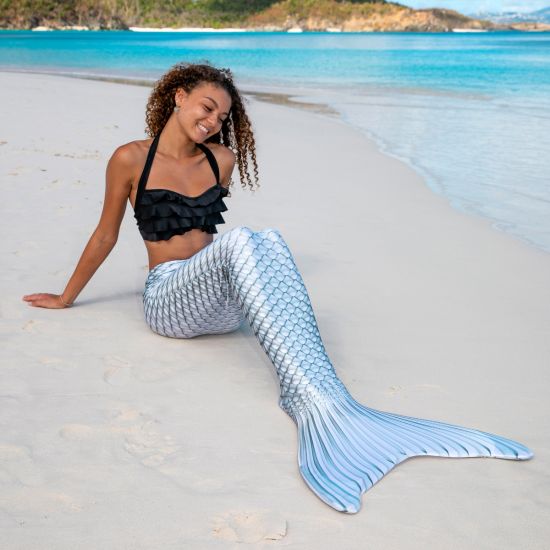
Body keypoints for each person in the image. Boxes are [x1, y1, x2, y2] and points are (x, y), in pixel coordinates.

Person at [22, 62, 533, 514]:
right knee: (247, 239)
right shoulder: (131, 158)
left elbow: (221, 248)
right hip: (168, 302)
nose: (214, 121)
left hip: (222, 308)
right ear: (178, 96)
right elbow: (106, 233)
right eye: (207, 107)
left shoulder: (220, 160)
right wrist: (66, 297)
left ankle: (321, 399)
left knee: (266, 239)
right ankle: (320, 408)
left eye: (222, 116)